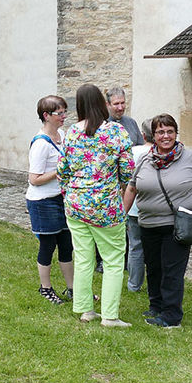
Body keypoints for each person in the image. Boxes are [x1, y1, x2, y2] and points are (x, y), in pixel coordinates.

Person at [122, 114, 192, 328]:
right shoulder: (144, 159)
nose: (165, 136)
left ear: (176, 134)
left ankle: (171, 315)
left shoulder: (191, 159)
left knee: (172, 270)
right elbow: (131, 187)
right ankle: (156, 305)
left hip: (176, 225)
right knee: (154, 267)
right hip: (148, 224)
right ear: (154, 135)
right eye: (160, 132)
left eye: (170, 131)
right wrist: (121, 213)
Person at [58, 84, 135, 327]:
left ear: (79, 105)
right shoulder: (115, 132)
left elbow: (62, 171)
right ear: (102, 103)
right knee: (113, 259)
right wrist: (113, 185)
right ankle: (109, 316)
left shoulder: (71, 132)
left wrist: (72, 192)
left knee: (83, 257)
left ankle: (85, 310)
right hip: (106, 206)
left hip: (76, 204)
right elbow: (127, 170)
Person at [26, 95, 74, 305]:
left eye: (65, 112)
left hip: (60, 198)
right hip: (43, 202)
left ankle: (73, 289)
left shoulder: (62, 134)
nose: (64, 116)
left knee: (66, 245)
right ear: (46, 116)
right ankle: (45, 288)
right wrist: (59, 171)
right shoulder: (41, 144)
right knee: (47, 246)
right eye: (59, 113)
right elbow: (34, 179)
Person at [125, 118, 153, 293]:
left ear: (143, 135)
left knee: (135, 246)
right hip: (156, 209)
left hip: (134, 207)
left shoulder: (133, 152)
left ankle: (134, 284)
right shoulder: (164, 152)